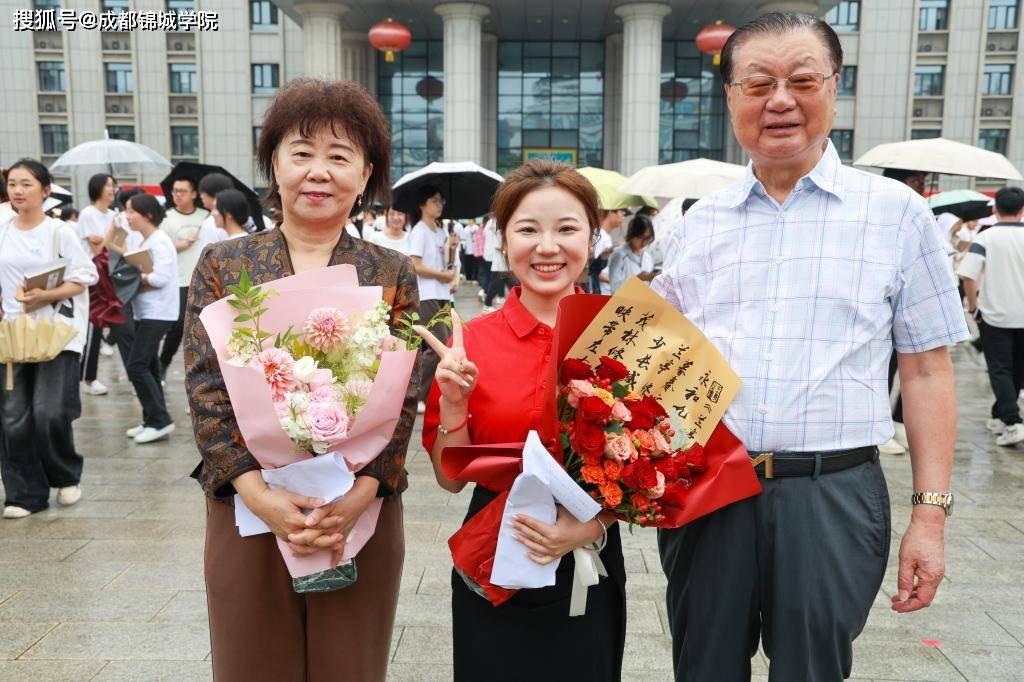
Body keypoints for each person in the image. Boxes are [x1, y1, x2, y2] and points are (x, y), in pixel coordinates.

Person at [652, 13, 968, 681]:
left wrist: (930, 517)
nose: (780, 101)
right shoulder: (696, 224)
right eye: (758, 83)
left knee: (813, 670)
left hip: (832, 495)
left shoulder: (896, 214)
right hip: (709, 490)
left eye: (802, 81)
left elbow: (927, 372)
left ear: (834, 88)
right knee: (703, 667)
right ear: (731, 96)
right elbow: (654, 363)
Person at [184, 78, 418, 682]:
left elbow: (403, 397)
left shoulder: (389, 270)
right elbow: (207, 391)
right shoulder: (225, 265)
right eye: (302, 152)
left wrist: (363, 491)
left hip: (356, 510)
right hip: (249, 505)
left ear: (365, 176)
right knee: (252, 665)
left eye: (339, 156)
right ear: (274, 164)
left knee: (350, 665)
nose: (319, 171)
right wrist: (260, 495)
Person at [419, 159, 625, 681]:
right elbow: (449, 479)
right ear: (502, 239)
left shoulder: (620, 337)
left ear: (591, 239)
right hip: (494, 555)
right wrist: (454, 405)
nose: (547, 247)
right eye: (528, 229)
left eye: (566, 229)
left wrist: (589, 527)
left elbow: (651, 466)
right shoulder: (471, 342)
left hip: (590, 555)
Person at [0, 159, 98, 519]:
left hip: (57, 334)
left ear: (45, 190)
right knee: (13, 416)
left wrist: (45, 295)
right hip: (13, 334)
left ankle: (64, 474)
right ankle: (24, 494)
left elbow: (85, 277)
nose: (17, 190)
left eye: (26, 184)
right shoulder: (3, 229)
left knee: (49, 412)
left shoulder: (59, 232)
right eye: (12, 183)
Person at [958, 186, 1024, 447]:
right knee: (1017, 370)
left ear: (995, 208)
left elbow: (967, 275)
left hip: (995, 316)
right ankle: (999, 416)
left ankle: (1012, 421)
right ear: (1022, 210)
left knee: (1000, 369)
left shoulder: (985, 238)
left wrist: (973, 308)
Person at [880, 168, 931, 455]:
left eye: (923, 181)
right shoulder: (881, 216)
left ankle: (899, 419)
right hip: (884, 312)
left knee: (914, 366)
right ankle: (882, 425)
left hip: (916, 305)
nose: (921, 186)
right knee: (884, 368)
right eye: (916, 181)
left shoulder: (920, 213)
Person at [121, 193, 179, 444]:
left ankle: (160, 420)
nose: (127, 216)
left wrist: (136, 277)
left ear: (146, 215)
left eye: (131, 211)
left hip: (159, 312)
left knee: (137, 365)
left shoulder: (160, 241)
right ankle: (152, 419)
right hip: (145, 311)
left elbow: (160, 278)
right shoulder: (141, 239)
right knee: (150, 366)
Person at [157, 176, 210, 382]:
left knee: (203, 327)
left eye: (183, 191)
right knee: (178, 325)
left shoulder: (206, 216)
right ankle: (163, 362)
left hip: (203, 278)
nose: (178, 195)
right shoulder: (166, 218)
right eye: (175, 191)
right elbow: (160, 247)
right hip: (179, 280)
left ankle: (201, 372)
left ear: (194, 194)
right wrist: (181, 245)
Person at [409, 184, 455, 414]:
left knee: (446, 344)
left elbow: (447, 263)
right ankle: (419, 395)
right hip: (427, 294)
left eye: (441, 201)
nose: (439, 205)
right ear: (422, 204)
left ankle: (428, 394)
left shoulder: (440, 231)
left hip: (443, 293)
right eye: (434, 200)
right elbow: (415, 265)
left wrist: (453, 249)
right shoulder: (419, 231)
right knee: (437, 346)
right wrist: (442, 276)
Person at [77, 173, 119, 397]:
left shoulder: (115, 214)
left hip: (113, 276)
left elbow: (116, 245)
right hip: (94, 278)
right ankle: (89, 378)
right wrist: (110, 234)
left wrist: (106, 238)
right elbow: (98, 251)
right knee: (94, 328)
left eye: (114, 186)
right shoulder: (88, 214)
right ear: (97, 189)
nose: (113, 189)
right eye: (108, 186)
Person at [607, 212, 656, 293]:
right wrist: (638, 279)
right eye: (641, 238)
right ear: (632, 234)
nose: (644, 243)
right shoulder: (619, 255)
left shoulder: (647, 257)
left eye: (648, 238)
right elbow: (614, 288)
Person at [589, 209, 624, 294]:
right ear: (610, 213)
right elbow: (592, 267)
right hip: (599, 290)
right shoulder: (600, 236)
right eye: (621, 213)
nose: (623, 217)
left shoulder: (605, 236)